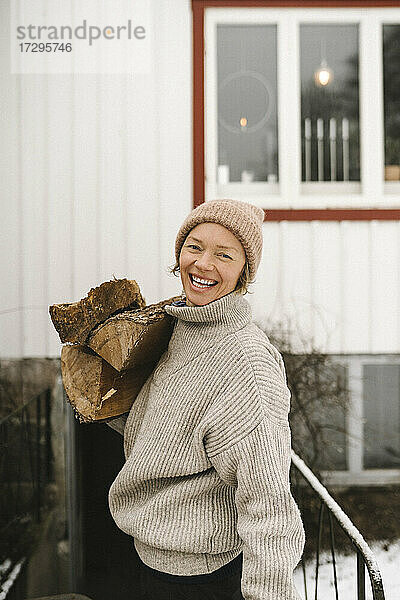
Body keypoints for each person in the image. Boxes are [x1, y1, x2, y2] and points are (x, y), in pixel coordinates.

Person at [107, 198, 305, 600]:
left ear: (243, 272)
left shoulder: (246, 364)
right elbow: (166, 432)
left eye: (224, 254)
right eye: (194, 246)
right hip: (149, 555)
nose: (202, 264)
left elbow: (268, 501)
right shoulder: (181, 329)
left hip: (199, 579)